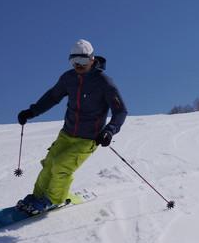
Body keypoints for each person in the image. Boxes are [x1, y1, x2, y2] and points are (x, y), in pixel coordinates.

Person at [16, 39, 128, 214]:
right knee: (49, 164)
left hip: (88, 138)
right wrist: (32, 112)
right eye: (74, 61)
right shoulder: (69, 78)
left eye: (82, 61)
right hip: (66, 134)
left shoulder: (104, 82)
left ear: (92, 59)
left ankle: (53, 199)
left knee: (61, 166)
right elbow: (53, 96)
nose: (78, 65)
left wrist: (109, 131)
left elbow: (120, 111)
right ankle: (38, 197)